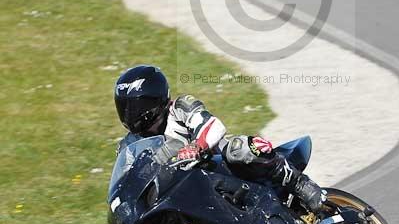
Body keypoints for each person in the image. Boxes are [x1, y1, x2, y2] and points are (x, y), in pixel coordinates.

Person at [114, 64, 326, 213]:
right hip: (182, 188)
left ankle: (299, 183)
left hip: (216, 163)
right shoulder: (130, 145)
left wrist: (197, 146)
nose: (131, 114)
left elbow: (213, 126)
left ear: (155, 99)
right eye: (125, 108)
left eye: (136, 107)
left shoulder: (180, 108)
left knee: (240, 148)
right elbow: (127, 180)